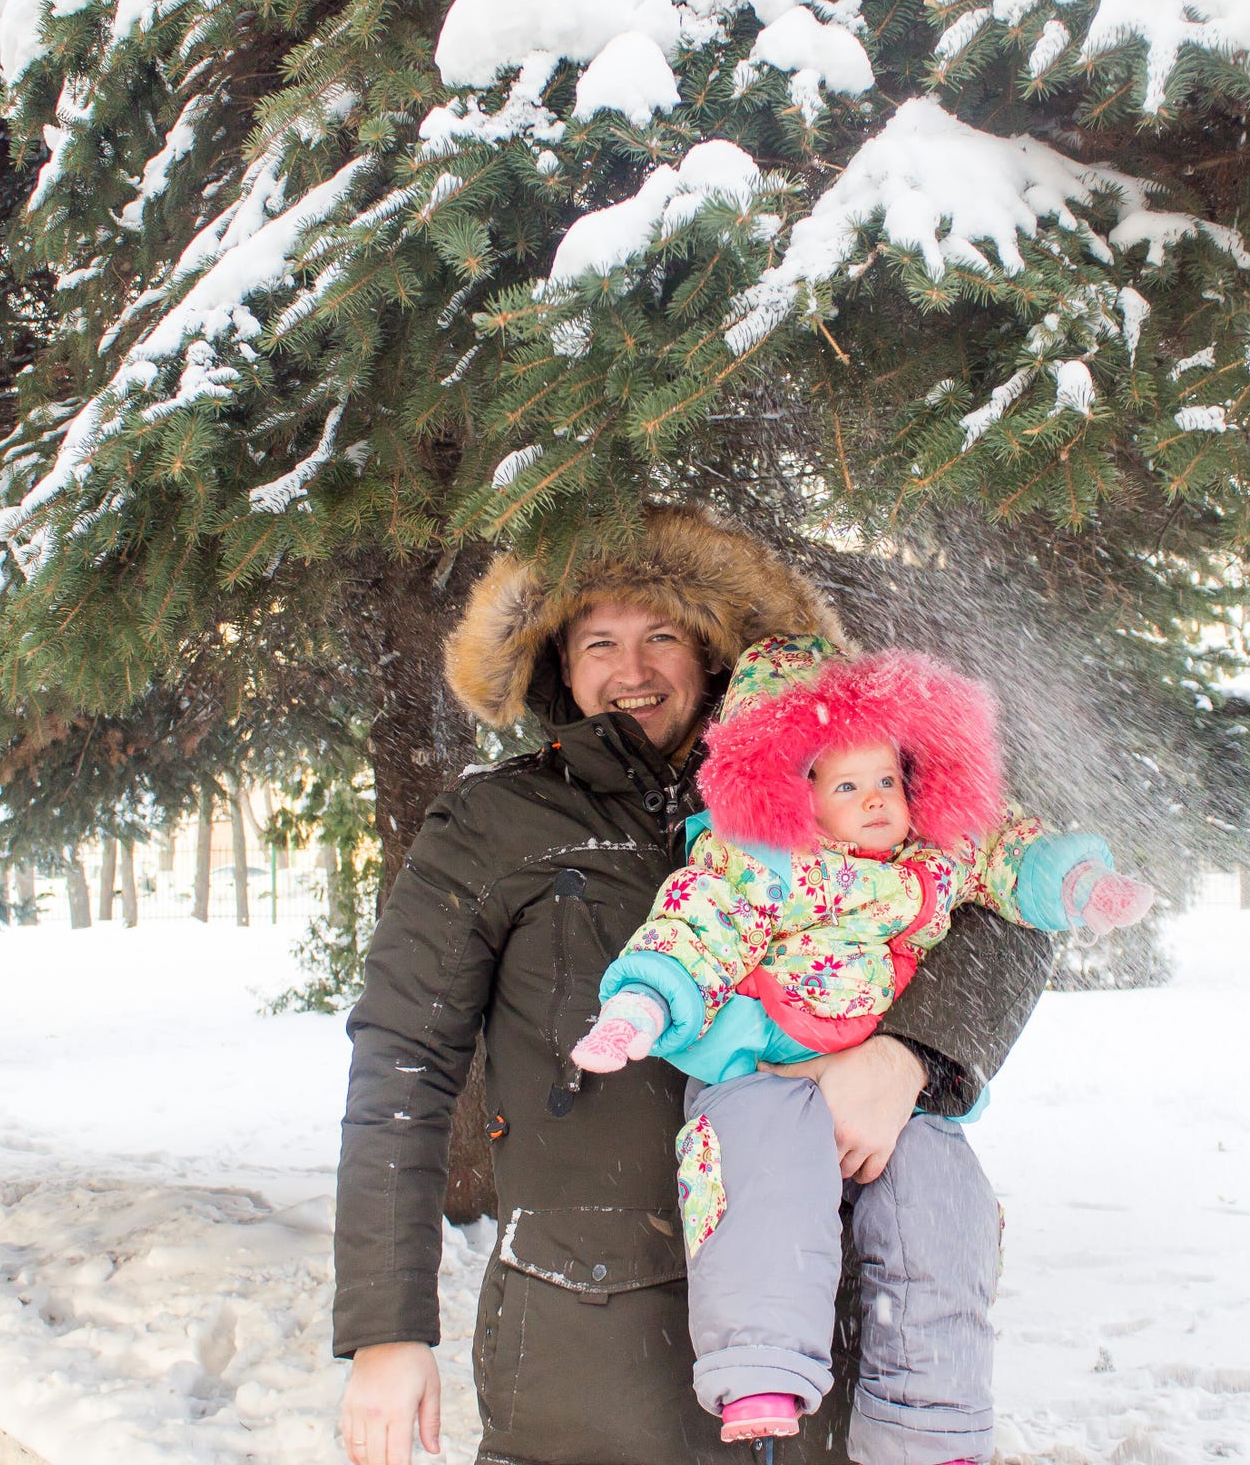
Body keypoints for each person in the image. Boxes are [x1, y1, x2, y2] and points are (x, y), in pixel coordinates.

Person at [333, 506, 1062, 1465]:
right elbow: (402, 1062)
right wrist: (389, 1331)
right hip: (585, 1358)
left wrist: (911, 1057)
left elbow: (1014, 913)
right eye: (600, 642)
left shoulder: (841, 795)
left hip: (816, 1349)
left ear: (714, 651)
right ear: (557, 661)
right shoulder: (493, 820)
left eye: (661, 637)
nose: (631, 671)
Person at [567, 634, 1153, 1462]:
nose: (877, 800)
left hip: (884, 1078)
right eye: (849, 785)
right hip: (762, 1063)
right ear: (798, 793)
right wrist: (641, 1007)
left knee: (941, 1207)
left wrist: (1083, 886)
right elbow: (698, 927)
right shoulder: (760, 862)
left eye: (888, 779)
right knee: (761, 1186)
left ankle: (932, 1420)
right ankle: (761, 1363)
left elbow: (1012, 852)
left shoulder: (935, 854)